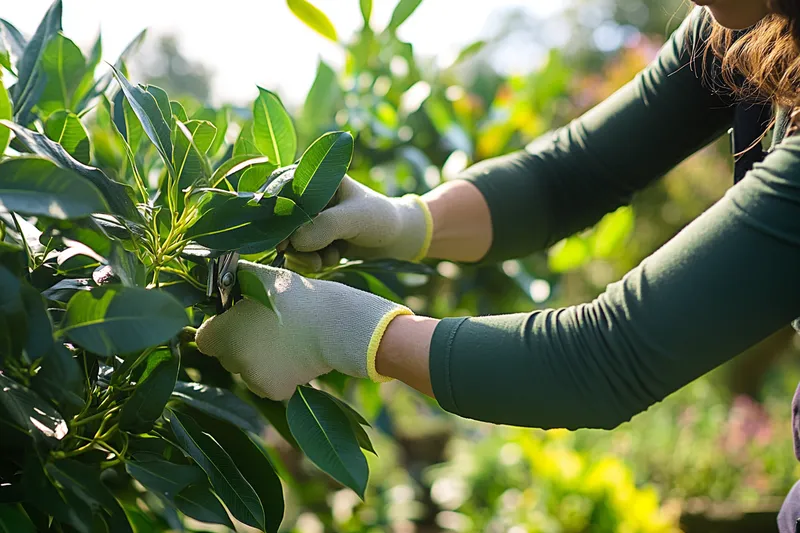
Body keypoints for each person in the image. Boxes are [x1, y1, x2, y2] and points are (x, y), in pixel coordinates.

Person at [196, 0, 800, 528]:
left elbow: (606, 357)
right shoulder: (746, 22)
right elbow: (575, 173)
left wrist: (343, 331)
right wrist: (405, 221)